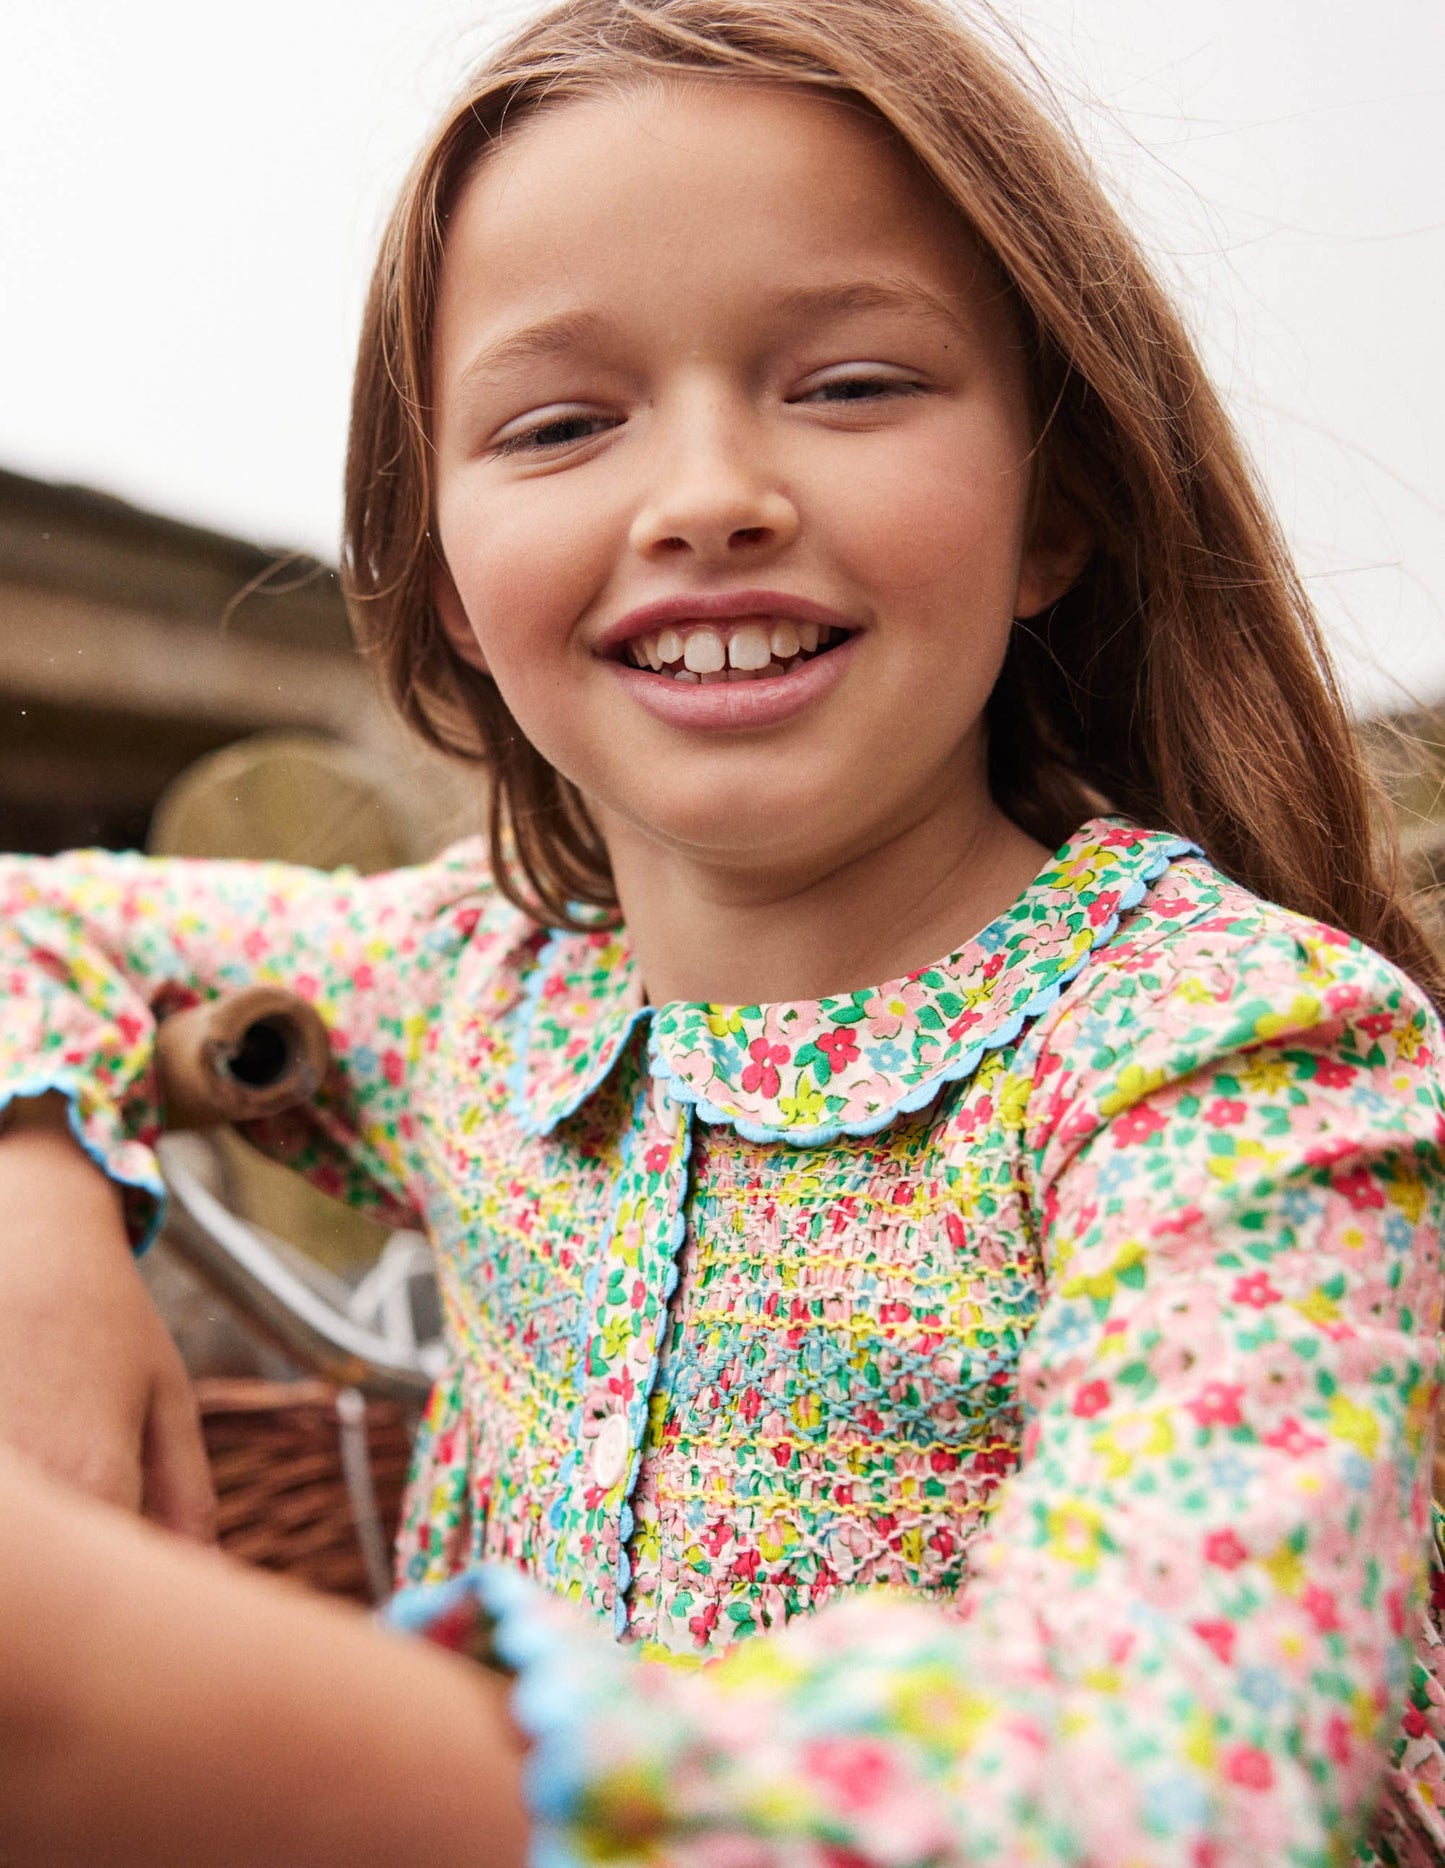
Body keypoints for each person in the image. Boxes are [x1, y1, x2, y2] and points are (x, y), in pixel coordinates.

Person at [1, 0, 1443, 1861]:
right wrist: (39, 1182)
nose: (704, 501)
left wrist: (133, 1697)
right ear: (442, 579)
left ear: (1052, 511)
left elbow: (1172, 1780)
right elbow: (39, 922)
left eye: (847, 385)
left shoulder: (1230, 1062)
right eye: (561, 422)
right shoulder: (486, 989)